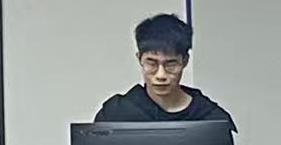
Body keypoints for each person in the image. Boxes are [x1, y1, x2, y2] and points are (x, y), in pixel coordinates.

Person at [95, 13, 235, 127]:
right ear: (139, 59)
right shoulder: (115, 114)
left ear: (185, 61)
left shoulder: (210, 119)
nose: (161, 75)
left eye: (171, 64)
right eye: (152, 63)